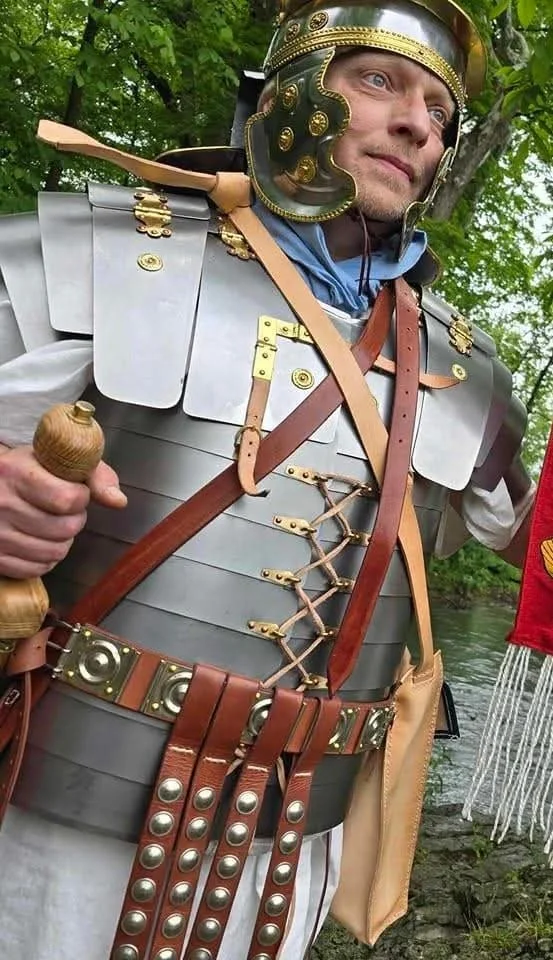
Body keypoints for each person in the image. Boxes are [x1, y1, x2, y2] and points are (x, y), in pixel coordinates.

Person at [0, 1, 535, 958]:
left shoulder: (464, 376)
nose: (419, 123)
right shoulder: (106, 254)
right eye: (378, 80)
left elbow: (536, 550)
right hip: (59, 812)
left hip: (291, 842)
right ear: (290, 92)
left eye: (440, 113)